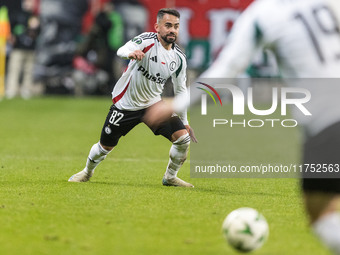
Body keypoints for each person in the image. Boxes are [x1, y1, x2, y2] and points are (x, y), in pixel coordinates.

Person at [144, 0, 340, 254]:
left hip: (329, 121)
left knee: (321, 213)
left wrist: (177, 102)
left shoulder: (263, 13)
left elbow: (227, 69)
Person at [69, 8, 197, 187]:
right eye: (168, 25)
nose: (172, 30)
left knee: (183, 139)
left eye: (176, 26)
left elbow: (181, 90)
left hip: (153, 105)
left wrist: (184, 121)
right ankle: (87, 172)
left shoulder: (179, 57)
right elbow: (123, 49)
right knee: (104, 147)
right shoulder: (146, 41)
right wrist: (130, 53)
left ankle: (170, 177)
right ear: (157, 27)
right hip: (126, 105)